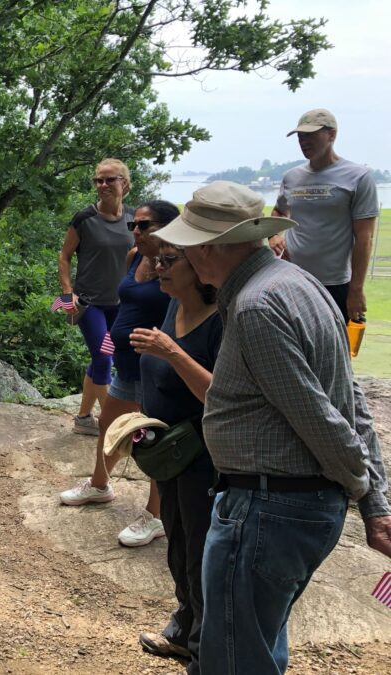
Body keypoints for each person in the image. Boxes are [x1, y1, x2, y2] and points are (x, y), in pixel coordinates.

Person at [153, 181, 391, 674]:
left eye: (192, 245)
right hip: (281, 508)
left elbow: (321, 418)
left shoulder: (258, 305)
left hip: (270, 508)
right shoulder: (300, 284)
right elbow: (352, 402)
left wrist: (358, 486)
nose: (187, 258)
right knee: (249, 644)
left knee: (235, 659)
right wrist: (374, 505)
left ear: (213, 246)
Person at [59, 201, 176, 549]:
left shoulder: (180, 265)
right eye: (134, 226)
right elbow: (128, 304)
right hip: (126, 361)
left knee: (154, 438)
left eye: (144, 226)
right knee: (109, 426)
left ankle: (155, 515)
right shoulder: (135, 258)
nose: (136, 231)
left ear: (168, 228)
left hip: (156, 365)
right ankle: (99, 484)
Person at [128, 243, 222, 672]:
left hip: (203, 455)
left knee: (202, 552)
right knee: (179, 544)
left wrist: (171, 352)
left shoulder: (220, 322)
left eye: (169, 261)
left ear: (199, 268)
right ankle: (184, 631)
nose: (158, 268)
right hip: (168, 452)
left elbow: (219, 396)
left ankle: (204, 653)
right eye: (157, 260)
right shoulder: (174, 307)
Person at [271, 108, 379, 324]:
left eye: (310, 135)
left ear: (332, 135)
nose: (304, 141)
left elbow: (364, 238)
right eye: (300, 137)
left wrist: (356, 290)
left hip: (335, 283)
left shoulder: (358, 177)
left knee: (335, 353)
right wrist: (274, 235)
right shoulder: (292, 177)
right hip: (293, 279)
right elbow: (279, 212)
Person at [57, 158, 135, 436]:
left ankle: (83, 418)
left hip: (122, 305)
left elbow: (142, 256)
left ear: (124, 183)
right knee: (104, 358)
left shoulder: (133, 219)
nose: (102, 185)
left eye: (109, 179)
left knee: (100, 358)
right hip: (89, 303)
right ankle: (114, 426)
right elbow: (64, 256)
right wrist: (68, 294)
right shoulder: (85, 218)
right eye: (98, 180)